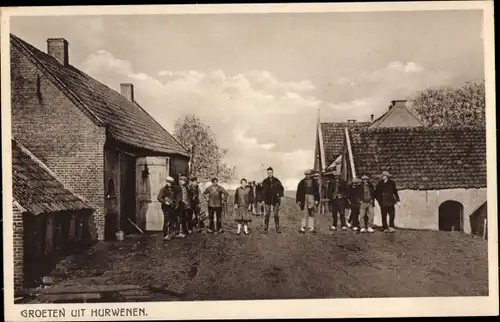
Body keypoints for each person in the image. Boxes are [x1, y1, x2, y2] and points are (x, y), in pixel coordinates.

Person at [262, 167, 285, 234]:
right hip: (267, 200)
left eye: (270, 172)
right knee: (267, 214)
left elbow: (281, 188)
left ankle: (277, 228)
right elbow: (263, 191)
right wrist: (263, 200)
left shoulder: (277, 180)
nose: (269, 173)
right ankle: (266, 228)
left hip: (275, 200)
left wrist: (280, 195)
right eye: (268, 172)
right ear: (267, 173)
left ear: (273, 172)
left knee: (276, 214)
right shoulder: (265, 181)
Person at [157, 176, 178, 240]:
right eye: (169, 182)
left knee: (172, 220)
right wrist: (165, 202)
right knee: (167, 221)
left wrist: (175, 202)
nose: (170, 184)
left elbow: (175, 197)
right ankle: (165, 234)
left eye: (171, 183)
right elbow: (159, 197)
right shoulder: (163, 189)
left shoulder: (173, 189)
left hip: (172, 207)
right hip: (166, 208)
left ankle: (171, 233)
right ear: (167, 182)